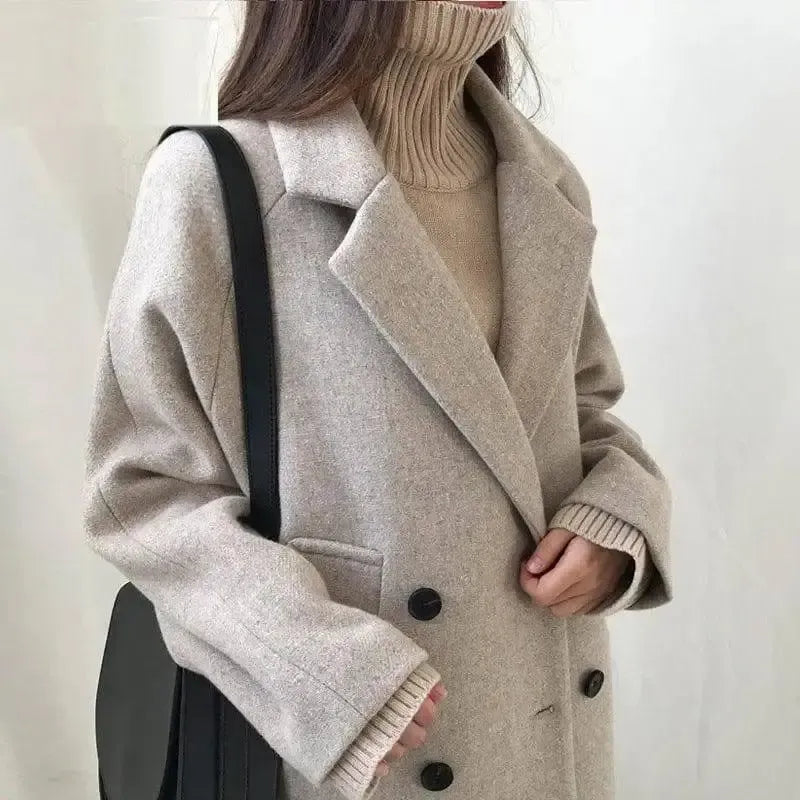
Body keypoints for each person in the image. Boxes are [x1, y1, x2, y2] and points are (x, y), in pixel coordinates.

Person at [83, 1, 672, 799]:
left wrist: (617, 524)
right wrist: (321, 670)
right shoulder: (221, 182)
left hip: (545, 731)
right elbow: (142, 493)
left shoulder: (546, 183)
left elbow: (583, 411)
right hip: (355, 752)